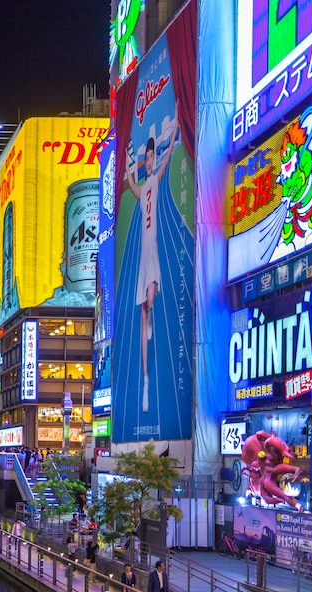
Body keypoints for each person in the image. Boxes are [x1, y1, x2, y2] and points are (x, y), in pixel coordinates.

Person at [124, 124, 177, 413]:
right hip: (143, 255)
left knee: (151, 301)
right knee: (142, 309)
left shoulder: (156, 179)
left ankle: (153, 318)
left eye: (151, 156)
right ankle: (145, 382)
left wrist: (178, 122)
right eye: (146, 156)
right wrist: (130, 167)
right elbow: (131, 183)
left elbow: (169, 155)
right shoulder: (142, 186)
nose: (150, 160)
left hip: (153, 249)